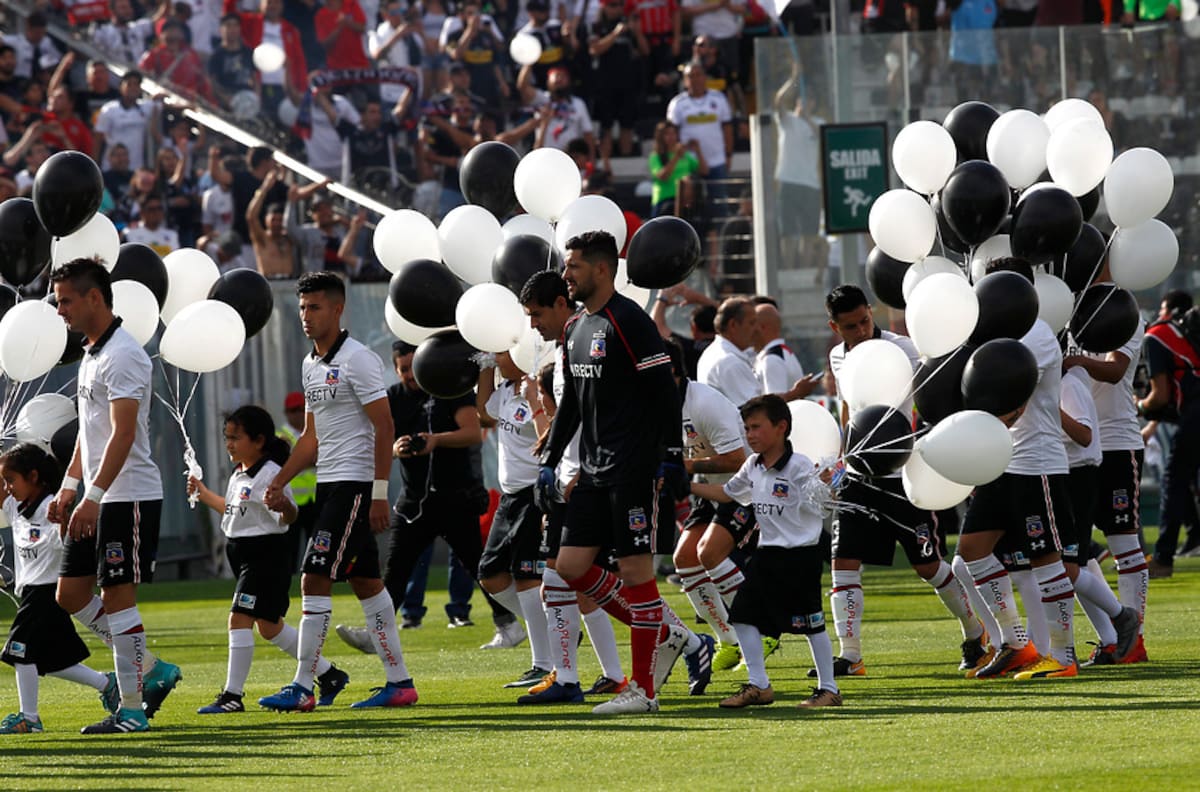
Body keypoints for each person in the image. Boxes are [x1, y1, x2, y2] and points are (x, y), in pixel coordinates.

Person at [539, 230, 704, 714]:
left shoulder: (629, 320)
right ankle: (665, 630)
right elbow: (572, 405)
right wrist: (549, 461)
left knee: (635, 574)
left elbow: (664, 392)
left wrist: (671, 454)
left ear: (602, 269)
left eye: (573, 266)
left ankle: (643, 691)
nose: (566, 275)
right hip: (593, 471)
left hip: (634, 469)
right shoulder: (574, 327)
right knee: (569, 567)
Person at [259, 271, 417, 712]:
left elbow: (385, 426)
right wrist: (279, 479)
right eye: (302, 308)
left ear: (337, 308)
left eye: (314, 307)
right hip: (329, 486)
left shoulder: (358, 359)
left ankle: (303, 685)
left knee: (314, 576)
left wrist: (379, 492)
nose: (306, 316)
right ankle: (400, 683)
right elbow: (310, 437)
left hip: (353, 486)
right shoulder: (310, 364)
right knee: (367, 583)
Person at [49, 258, 181, 734]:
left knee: (117, 598)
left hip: (129, 496)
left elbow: (123, 435)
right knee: (70, 594)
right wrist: (69, 487)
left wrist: (94, 496)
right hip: (99, 495)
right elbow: (90, 434)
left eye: (66, 300)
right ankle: (152, 669)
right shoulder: (92, 354)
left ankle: (131, 710)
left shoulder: (124, 354)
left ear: (94, 298)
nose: (59, 310)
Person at [824, 284, 984, 677]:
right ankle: (851, 655)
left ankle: (974, 632)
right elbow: (849, 408)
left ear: (871, 312)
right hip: (859, 476)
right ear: (835, 327)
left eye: (864, 321)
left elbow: (934, 399)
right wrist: (842, 459)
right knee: (843, 562)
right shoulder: (838, 357)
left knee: (928, 565)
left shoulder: (905, 349)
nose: (861, 330)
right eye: (850, 326)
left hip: (903, 475)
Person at [335, 341, 514, 655]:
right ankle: (377, 633)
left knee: (479, 566)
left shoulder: (449, 388)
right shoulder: (394, 397)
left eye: (414, 368)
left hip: (456, 497)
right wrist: (396, 449)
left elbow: (473, 432)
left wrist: (435, 441)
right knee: (396, 568)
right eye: (403, 369)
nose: (410, 375)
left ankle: (511, 624)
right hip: (415, 501)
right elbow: (381, 439)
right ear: (395, 370)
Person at [958, 259, 1080, 681]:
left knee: (1045, 557)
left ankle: (1063, 657)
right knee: (971, 548)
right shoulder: (996, 335)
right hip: (1003, 462)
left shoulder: (1038, 336)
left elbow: (1014, 405)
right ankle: (1016, 643)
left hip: (1037, 463)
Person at [187, 406, 350, 714]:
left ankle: (232, 696)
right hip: (241, 553)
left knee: (239, 618)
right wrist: (204, 494)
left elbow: (290, 515)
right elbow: (234, 512)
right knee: (270, 627)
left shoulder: (272, 472)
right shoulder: (239, 472)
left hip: (264, 555)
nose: (229, 444)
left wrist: (284, 504)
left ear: (259, 440)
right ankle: (330, 675)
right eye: (226, 437)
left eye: (236, 438)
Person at [520, 270, 630, 700]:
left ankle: (679, 639)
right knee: (566, 582)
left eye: (537, 314)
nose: (532, 325)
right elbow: (573, 413)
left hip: (594, 479)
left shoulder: (595, 337)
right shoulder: (567, 346)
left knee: (590, 577)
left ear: (562, 304)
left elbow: (606, 414)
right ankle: (582, 677)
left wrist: (585, 471)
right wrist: (551, 461)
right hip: (570, 478)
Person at [690, 395, 841, 708]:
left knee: (811, 624)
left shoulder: (800, 467)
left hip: (800, 557)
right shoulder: (753, 464)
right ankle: (759, 686)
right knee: (742, 616)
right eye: (747, 428)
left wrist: (828, 484)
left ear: (781, 427)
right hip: (766, 554)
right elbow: (727, 493)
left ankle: (829, 690)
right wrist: (683, 484)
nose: (750, 435)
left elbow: (824, 503)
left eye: (756, 427)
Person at [1062, 259, 1151, 661]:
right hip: (1074, 447)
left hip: (1116, 442)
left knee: (1124, 543)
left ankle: (1135, 640)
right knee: (1075, 551)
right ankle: (1113, 637)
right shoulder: (1065, 310)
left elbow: (1116, 370)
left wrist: (1075, 361)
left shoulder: (1124, 311)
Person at [0, 444, 120, 734]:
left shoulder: (52, 508)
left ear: (33, 476)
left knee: (18, 651)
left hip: (49, 591)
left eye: (11, 480)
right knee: (50, 659)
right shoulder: (15, 507)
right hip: (30, 593)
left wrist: (65, 521)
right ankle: (107, 684)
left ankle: (29, 718)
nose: (7, 487)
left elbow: (68, 543)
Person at [667, 339, 752, 674]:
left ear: (673, 372)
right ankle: (729, 641)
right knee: (684, 559)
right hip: (709, 487)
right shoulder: (655, 403)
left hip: (745, 486)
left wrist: (685, 467)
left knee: (709, 552)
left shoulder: (704, 402)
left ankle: (759, 631)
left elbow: (737, 459)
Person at [476, 351, 557, 692]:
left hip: (533, 494)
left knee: (526, 576)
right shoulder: (506, 390)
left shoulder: (537, 389)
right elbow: (483, 413)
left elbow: (550, 435)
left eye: (500, 352)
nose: (496, 357)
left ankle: (544, 664)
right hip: (509, 497)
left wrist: (534, 399)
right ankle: (556, 629)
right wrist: (485, 366)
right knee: (490, 573)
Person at [1059, 367, 1141, 668]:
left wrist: (1047, 409)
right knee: (1064, 565)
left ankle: (1056, 648)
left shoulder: (1067, 384)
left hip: (1076, 476)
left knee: (1061, 567)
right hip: (1056, 475)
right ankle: (1107, 636)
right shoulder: (1053, 385)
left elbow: (1083, 435)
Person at [1139, 293, 1200, 581]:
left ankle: (1163, 559)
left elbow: (1160, 395)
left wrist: (1140, 406)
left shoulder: (1157, 336)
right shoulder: (1189, 336)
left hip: (1193, 416)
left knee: (1173, 484)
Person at [666, 62, 732, 209]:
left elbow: (727, 128)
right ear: (685, 80)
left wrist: (728, 155)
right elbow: (670, 132)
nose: (695, 79)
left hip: (716, 160)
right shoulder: (677, 104)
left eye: (698, 75)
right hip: (689, 163)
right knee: (689, 205)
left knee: (719, 204)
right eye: (690, 76)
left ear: (705, 77)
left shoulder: (719, 99)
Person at [277, 392, 319, 570]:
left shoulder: (316, 432)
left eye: (303, 409)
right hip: (291, 500)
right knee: (289, 547)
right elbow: (283, 463)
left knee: (316, 546)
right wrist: (308, 459)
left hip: (315, 498)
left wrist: (299, 460)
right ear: (287, 413)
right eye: (295, 410)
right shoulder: (281, 436)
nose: (300, 414)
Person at [696, 296, 760, 409]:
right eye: (751, 323)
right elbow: (756, 411)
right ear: (733, 325)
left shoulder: (715, 352)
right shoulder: (730, 362)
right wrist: (792, 394)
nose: (757, 329)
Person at [753, 301, 817, 401]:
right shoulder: (784, 353)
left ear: (762, 327)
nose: (749, 330)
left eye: (752, 324)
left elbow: (775, 404)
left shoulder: (771, 360)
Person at [95, 71, 155, 172]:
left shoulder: (146, 107)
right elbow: (98, 138)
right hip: (111, 168)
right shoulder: (109, 109)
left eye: (136, 84)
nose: (133, 88)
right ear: (121, 87)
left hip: (136, 169)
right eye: (129, 84)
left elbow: (168, 105)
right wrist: (95, 164)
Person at [246, 170, 299, 278]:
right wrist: (264, 188)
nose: (277, 223)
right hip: (269, 281)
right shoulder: (262, 238)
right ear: (266, 220)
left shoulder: (288, 238)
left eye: (280, 220)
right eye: (273, 220)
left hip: (288, 281)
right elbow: (251, 217)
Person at [648, 121, 705, 218]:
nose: (671, 137)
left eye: (673, 133)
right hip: (664, 201)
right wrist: (676, 156)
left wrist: (698, 151)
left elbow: (704, 171)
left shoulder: (685, 155)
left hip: (683, 201)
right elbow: (663, 176)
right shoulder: (655, 157)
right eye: (667, 134)